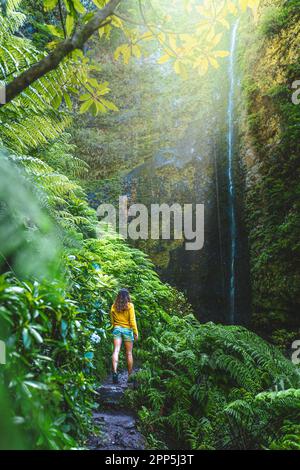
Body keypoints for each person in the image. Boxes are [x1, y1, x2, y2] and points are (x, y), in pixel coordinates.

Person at [110, 288, 138, 384]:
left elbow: (112, 321)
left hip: (117, 329)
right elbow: (132, 321)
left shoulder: (113, 306)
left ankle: (114, 373)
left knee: (116, 350)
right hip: (127, 330)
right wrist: (135, 332)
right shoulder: (130, 306)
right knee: (129, 353)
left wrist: (116, 327)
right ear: (127, 296)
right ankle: (130, 376)